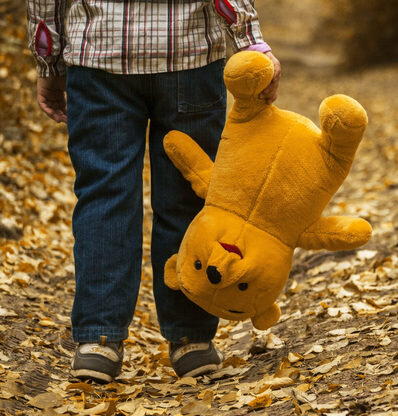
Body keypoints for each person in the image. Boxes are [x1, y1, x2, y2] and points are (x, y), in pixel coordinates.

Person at [26, 0, 280, 382]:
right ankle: (191, 340)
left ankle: (99, 341)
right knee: (189, 194)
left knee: (104, 195)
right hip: (189, 53)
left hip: (99, 54)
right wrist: (251, 41)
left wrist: (49, 61)